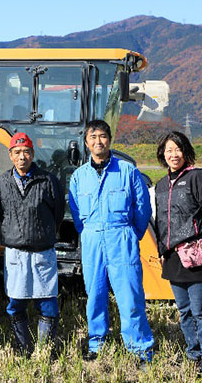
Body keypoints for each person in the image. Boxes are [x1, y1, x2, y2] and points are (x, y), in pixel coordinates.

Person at [68, 120, 154, 362]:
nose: (98, 141)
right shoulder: (78, 177)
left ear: (110, 140)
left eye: (103, 136)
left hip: (121, 238)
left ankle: (140, 349)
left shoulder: (127, 171)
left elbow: (142, 209)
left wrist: (129, 234)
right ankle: (96, 344)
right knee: (95, 295)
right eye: (93, 137)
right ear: (86, 143)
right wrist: (89, 233)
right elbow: (76, 213)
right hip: (92, 240)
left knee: (130, 297)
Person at [154, 131, 202, 375]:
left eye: (178, 149)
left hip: (197, 254)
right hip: (173, 257)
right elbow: (161, 222)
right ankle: (193, 353)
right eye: (169, 150)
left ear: (186, 152)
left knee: (201, 310)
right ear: (162, 153)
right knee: (184, 311)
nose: (174, 154)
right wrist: (162, 250)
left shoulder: (197, 177)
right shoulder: (161, 185)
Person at [0, 132, 65, 353]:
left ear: (33, 154)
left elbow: (58, 213)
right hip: (15, 253)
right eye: (17, 152)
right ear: (10, 155)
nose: (21, 156)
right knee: (16, 303)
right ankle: (22, 346)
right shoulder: (2, 182)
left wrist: (43, 233)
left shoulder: (48, 180)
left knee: (47, 302)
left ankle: (45, 349)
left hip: (43, 251)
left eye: (26, 152)